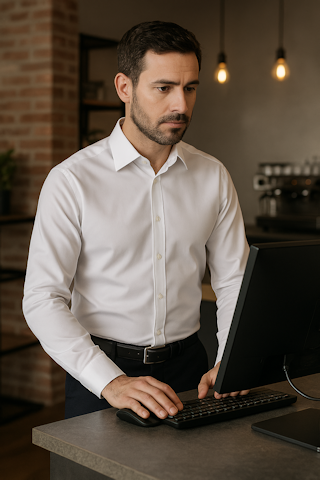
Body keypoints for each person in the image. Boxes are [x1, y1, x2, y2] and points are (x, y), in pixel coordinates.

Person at [23, 21, 250, 420]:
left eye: (190, 88)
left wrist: (232, 359)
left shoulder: (213, 176)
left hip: (191, 370)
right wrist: (110, 381)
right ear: (124, 88)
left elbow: (233, 280)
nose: (180, 105)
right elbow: (42, 299)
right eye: (163, 88)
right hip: (101, 375)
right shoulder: (71, 181)